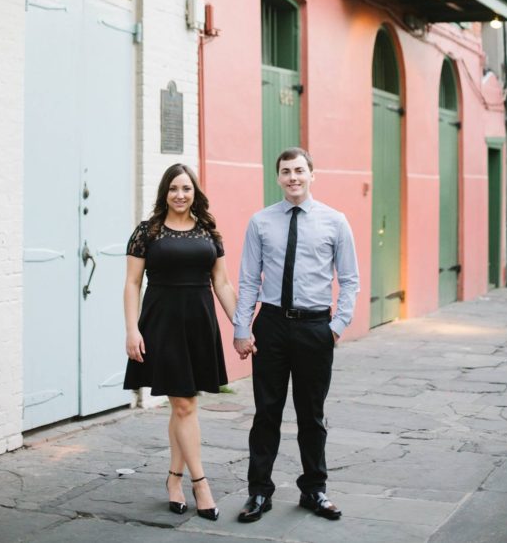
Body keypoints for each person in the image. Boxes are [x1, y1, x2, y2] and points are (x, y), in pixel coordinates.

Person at [233, 147, 360, 523]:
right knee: (266, 413)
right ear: (278, 178)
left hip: (314, 327)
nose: (293, 177)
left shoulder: (335, 221)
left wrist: (336, 327)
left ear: (311, 174)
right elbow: (247, 279)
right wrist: (242, 329)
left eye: (299, 170)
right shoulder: (260, 222)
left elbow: (350, 280)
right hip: (271, 326)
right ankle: (259, 493)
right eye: (286, 171)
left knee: (312, 414)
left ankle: (314, 490)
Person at [123, 163, 237, 521]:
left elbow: (222, 284)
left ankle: (174, 479)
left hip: (199, 324)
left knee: (183, 407)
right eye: (173, 188)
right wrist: (132, 330)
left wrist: (242, 326)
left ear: (194, 192)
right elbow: (131, 283)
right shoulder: (148, 232)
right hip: (162, 323)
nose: (180, 195)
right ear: (164, 193)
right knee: (185, 406)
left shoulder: (209, 232)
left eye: (186, 188)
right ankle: (200, 483)